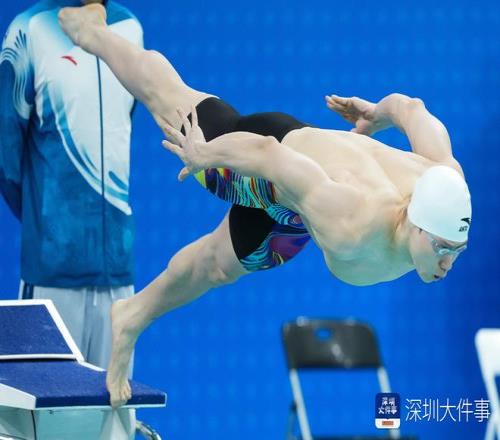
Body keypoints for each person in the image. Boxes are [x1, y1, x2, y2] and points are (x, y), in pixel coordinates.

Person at [58, 4, 471, 407]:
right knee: (166, 98)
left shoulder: (445, 176)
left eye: (456, 250)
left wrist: (376, 115)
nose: (447, 263)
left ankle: (131, 316)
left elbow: (410, 108)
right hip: (269, 165)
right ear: (415, 222)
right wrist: (205, 154)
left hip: (298, 211)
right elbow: (269, 154)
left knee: (216, 267)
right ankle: (92, 31)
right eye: (441, 247)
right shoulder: (351, 218)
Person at [0, 0, 142, 397]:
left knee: (115, 416)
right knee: (51, 418)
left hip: (118, 276)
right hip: (52, 278)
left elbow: (120, 130)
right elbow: (6, 157)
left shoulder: (130, 29)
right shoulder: (28, 30)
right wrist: (49, 226)